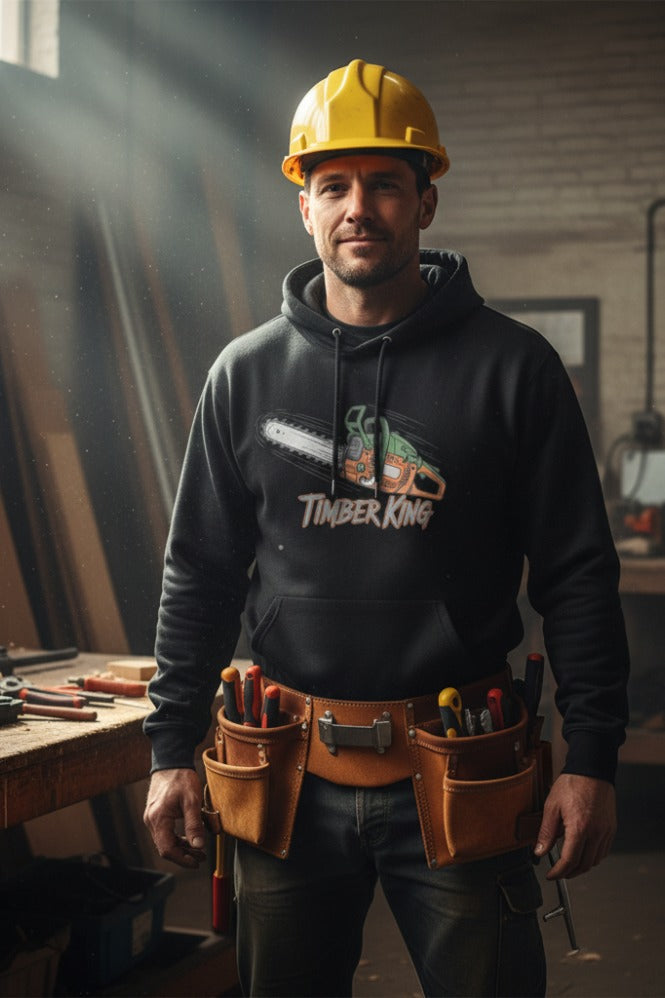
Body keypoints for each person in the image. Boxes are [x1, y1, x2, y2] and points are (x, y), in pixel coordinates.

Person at [143, 59, 629, 996]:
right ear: (304, 207)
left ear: (426, 201)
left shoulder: (515, 370)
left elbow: (576, 574)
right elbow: (197, 574)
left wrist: (592, 757)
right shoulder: (241, 377)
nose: (357, 207)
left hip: (464, 771)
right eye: (333, 186)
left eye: (384, 185)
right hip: (283, 769)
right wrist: (170, 752)